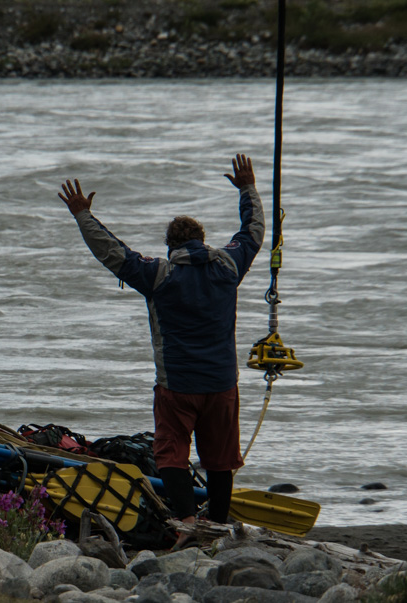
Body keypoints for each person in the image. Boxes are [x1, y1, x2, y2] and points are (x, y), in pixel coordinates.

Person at [58, 154, 264, 549]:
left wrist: (83, 215)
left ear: (172, 246)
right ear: (202, 239)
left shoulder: (160, 276)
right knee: (221, 460)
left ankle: (187, 522)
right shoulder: (229, 267)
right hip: (222, 385)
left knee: (171, 455)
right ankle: (217, 528)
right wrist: (247, 188)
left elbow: (112, 252)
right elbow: (253, 231)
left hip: (177, 387)